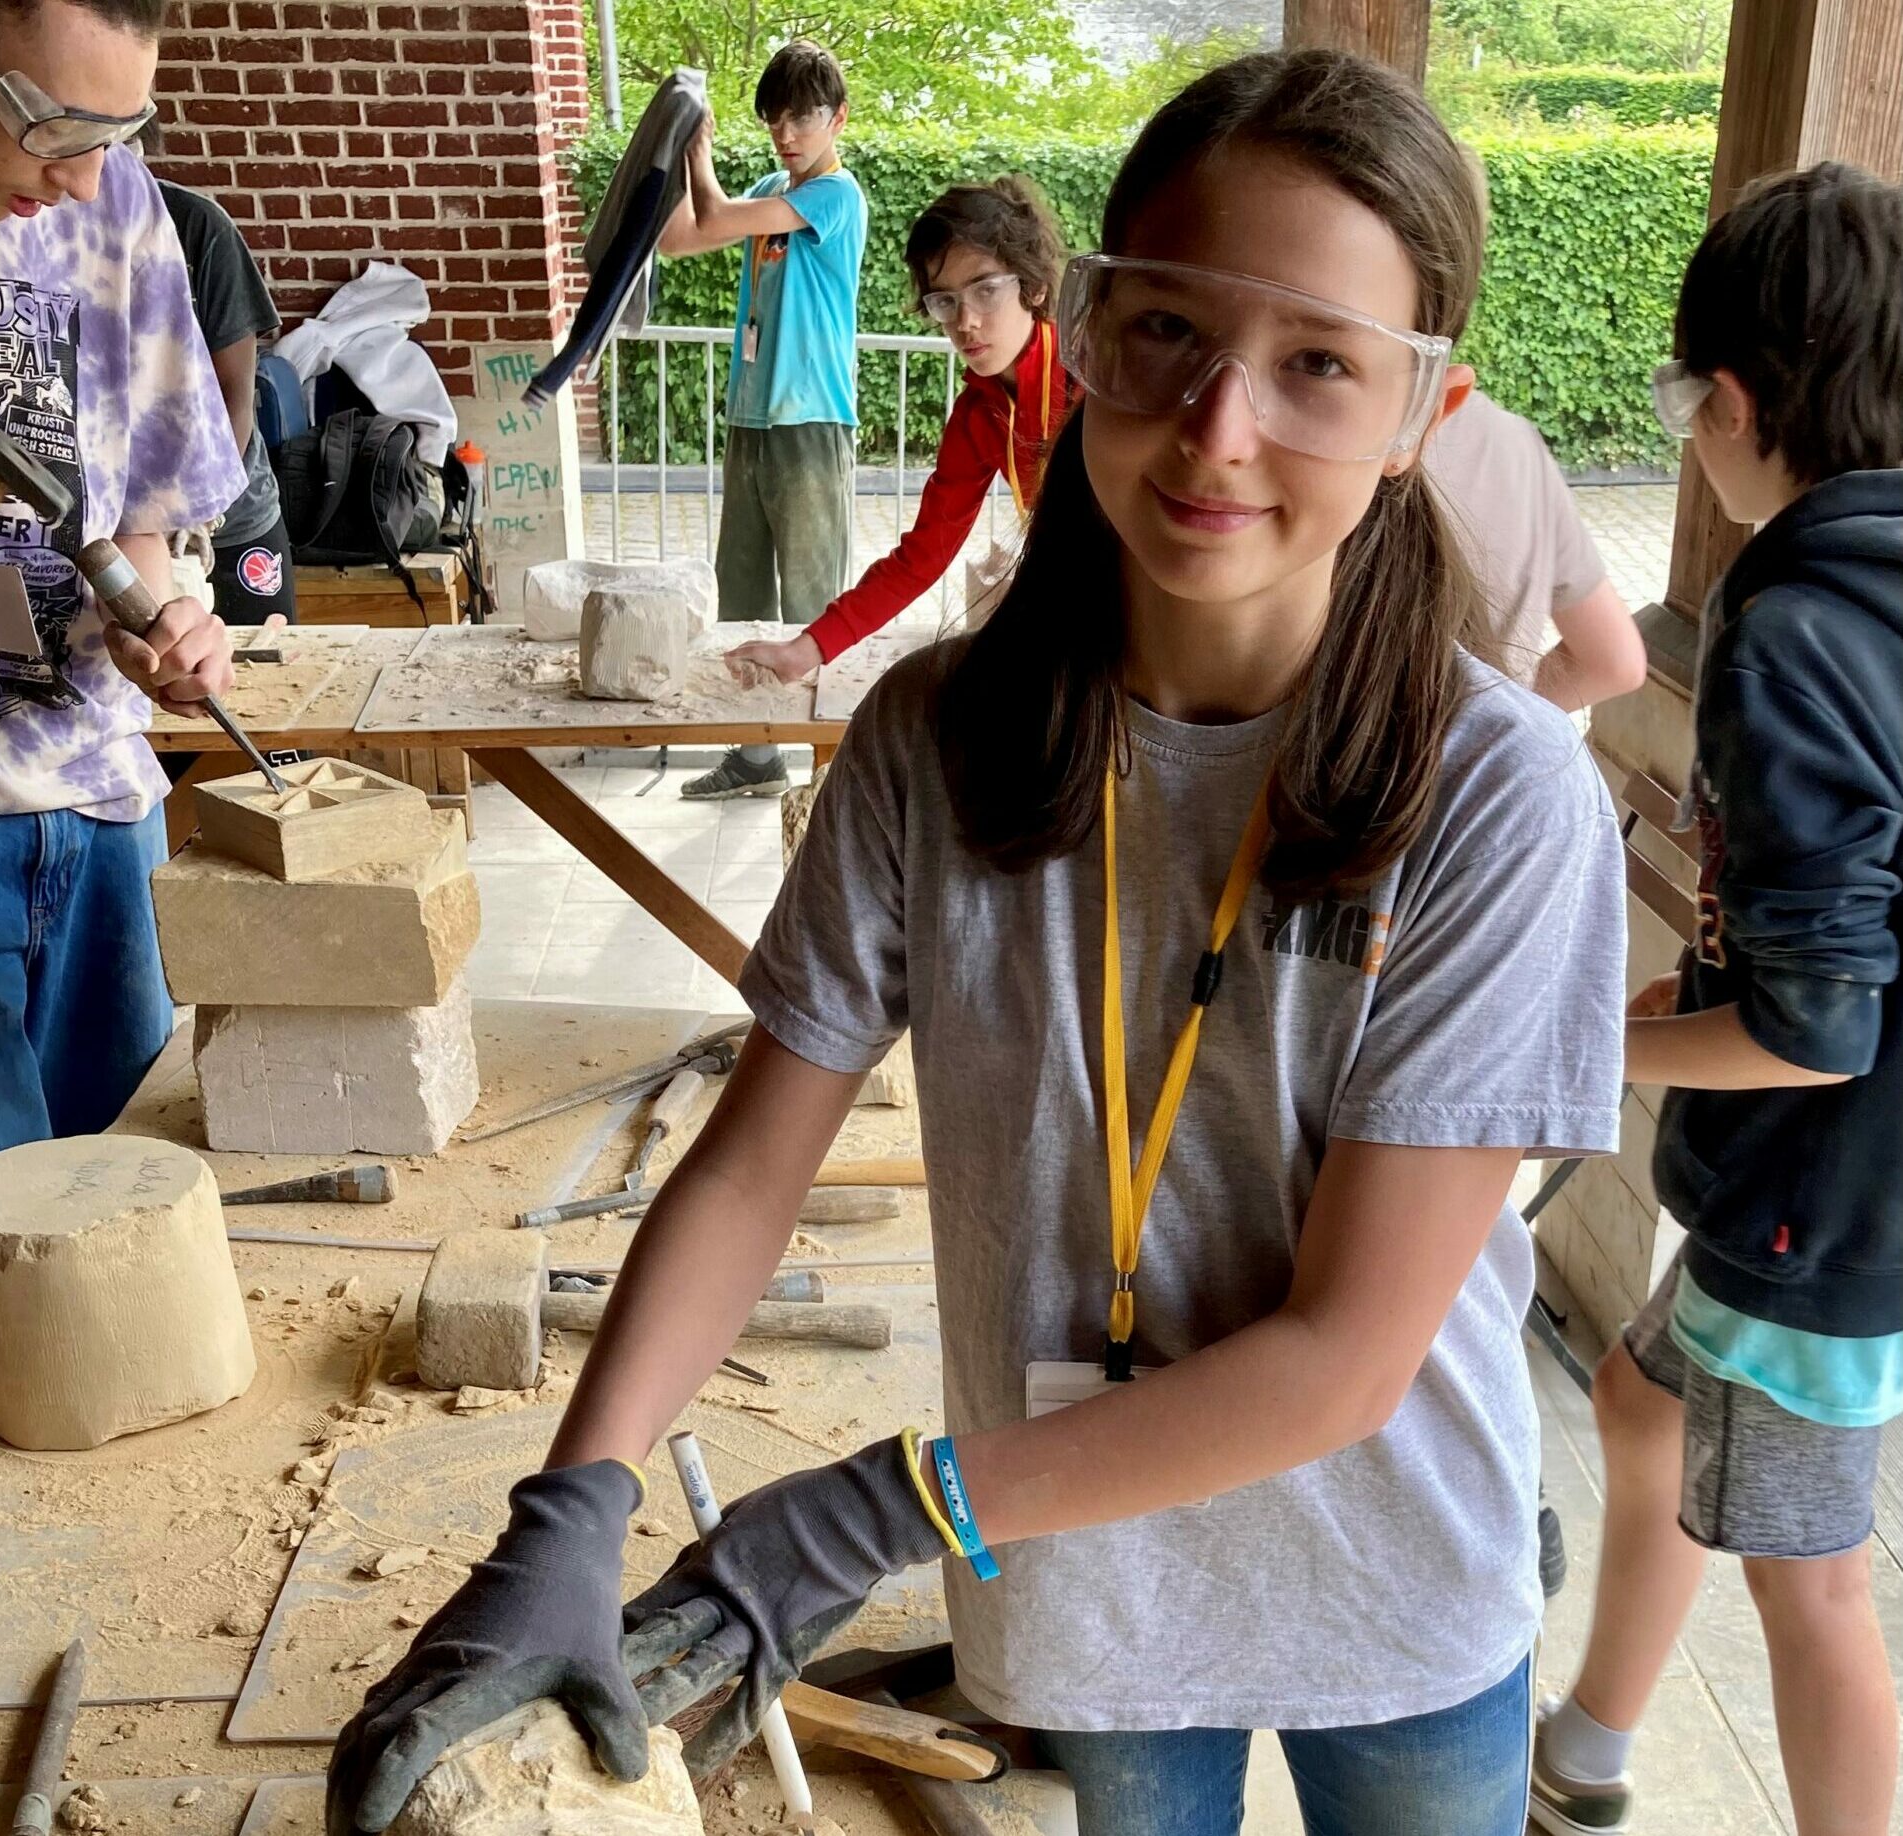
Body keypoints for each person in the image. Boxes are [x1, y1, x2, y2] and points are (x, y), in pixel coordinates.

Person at [330, 49, 1629, 1836]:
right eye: (1167, 330)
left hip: (1388, 1586)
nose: (1218, 427)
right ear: (1089, 332)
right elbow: (746, 1171)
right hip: (1077, 1576)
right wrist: (572, 1503)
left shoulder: (1492, 797)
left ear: (1423, 413)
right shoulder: (938, 744)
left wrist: (869, 1515)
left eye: (1319, 364)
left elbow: (1348, 1354)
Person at [1531, 162, 1902, 1836]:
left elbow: (1816, 1032)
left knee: (1808, 1581)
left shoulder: (1798, 632)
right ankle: (1590, 1746)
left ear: (1737, 404)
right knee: (1638, 1397)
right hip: (1849, 1182)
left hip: (1817, 1210)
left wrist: (1577, 1037)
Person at [0, 0, 245, 1396]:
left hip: (95, 801)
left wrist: (160, 622)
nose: (83, 175)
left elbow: (140, 512)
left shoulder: (111, 193)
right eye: (54, 127)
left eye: (119, 132)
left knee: (137, 1259)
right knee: (3, 1310)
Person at [727, 178, 1074, 685]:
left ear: (1034, 286)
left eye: (985, 290)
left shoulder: (1092, 377)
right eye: (945, 301)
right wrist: (809, 648)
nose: (966, 322)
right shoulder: (978, 414)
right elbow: (921, 558)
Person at [655, 38, 866, 800]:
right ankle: (753, 756)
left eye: (803, 116)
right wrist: (675, 148)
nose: (787, 131)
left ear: (836, 118)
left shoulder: (834, 197)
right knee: (741, 595)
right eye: (776, 117)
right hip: (751, 421)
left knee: (811, 605)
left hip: (811, 424)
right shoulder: (772, 186)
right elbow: (682, 236)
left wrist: (695, 145)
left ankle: (830, 776)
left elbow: (711, 208)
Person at [1426, 384, 1647, 712]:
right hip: (1486, 755)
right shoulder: (1511, 440)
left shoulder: (1342, 446)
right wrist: (1508, 721)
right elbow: (1616, 661)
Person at [149, 153, 296, 626]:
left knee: (267, 664)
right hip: (126, 526)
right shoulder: (55, 230)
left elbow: (235, 399)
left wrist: (199, 509)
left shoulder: (196, 228)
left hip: (226, 518)